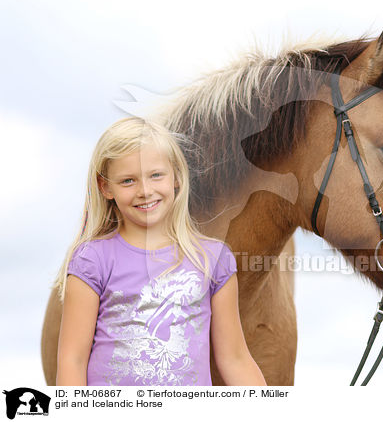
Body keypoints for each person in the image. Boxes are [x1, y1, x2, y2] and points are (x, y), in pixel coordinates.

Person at [55, 117, 266, 386]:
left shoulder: (212, 260)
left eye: (156, 175)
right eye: (128, 180)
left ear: (176, 176)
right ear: (105, 187)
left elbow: (235, 358)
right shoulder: (91, 260)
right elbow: (72, 360)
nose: (145, 190)